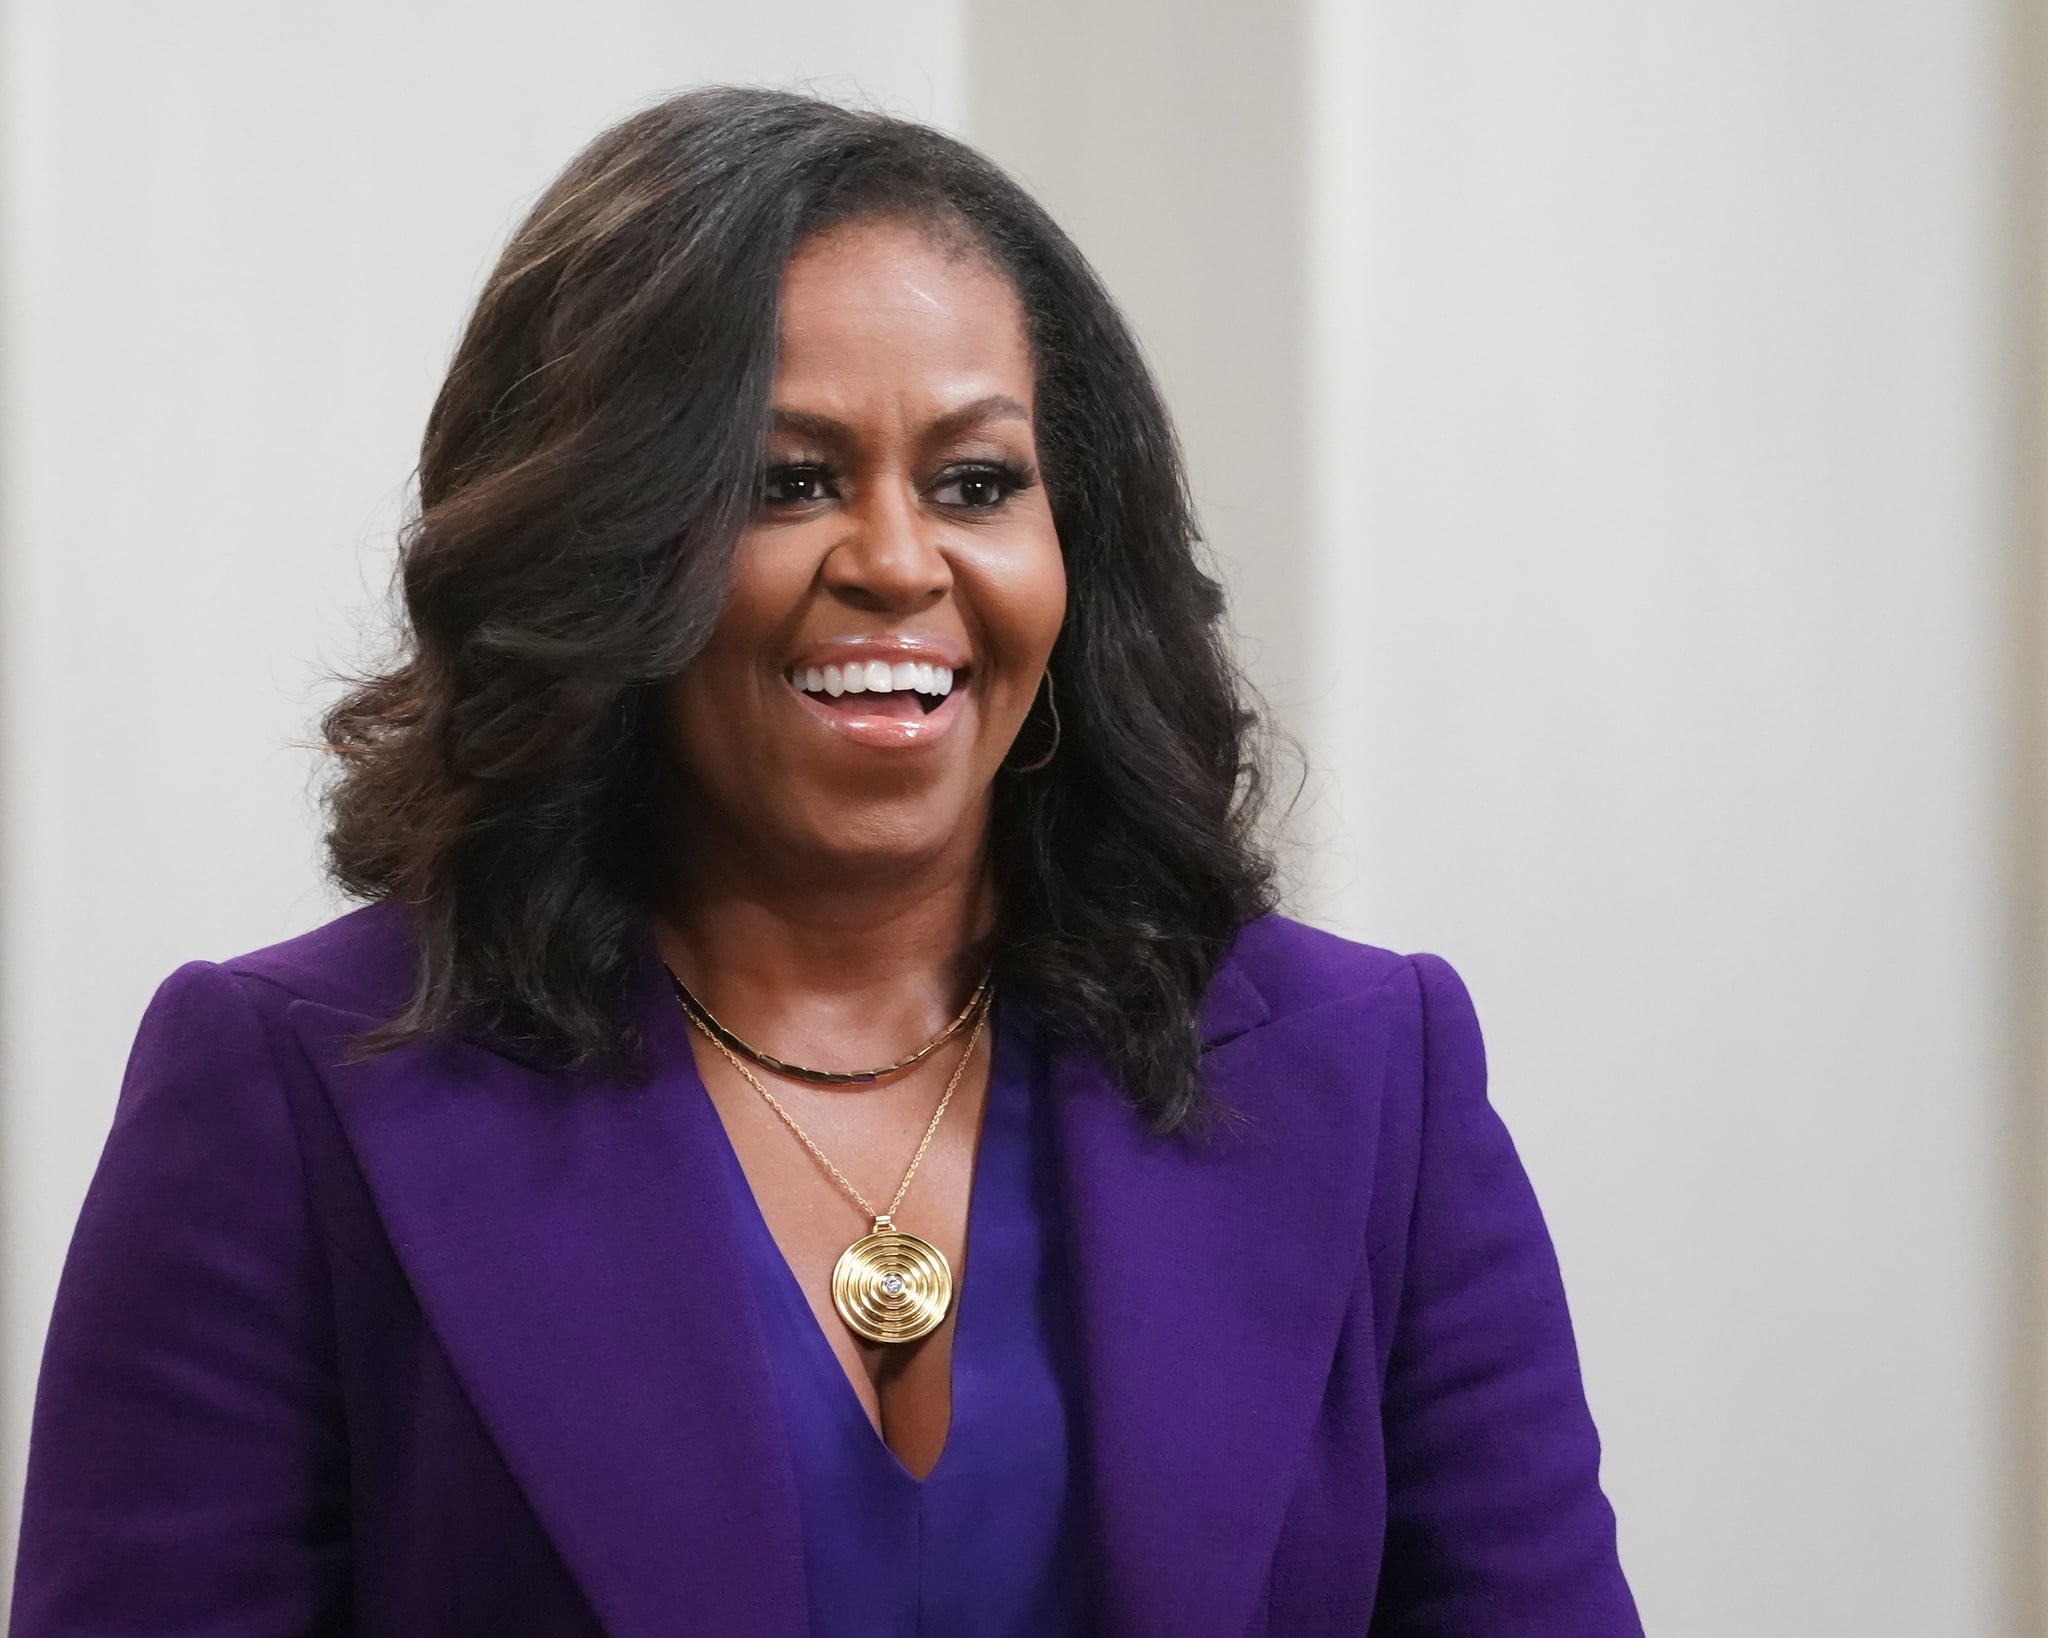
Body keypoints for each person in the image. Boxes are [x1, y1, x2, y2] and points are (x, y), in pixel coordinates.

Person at [10, 87, 1642, 1637]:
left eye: (976, 483)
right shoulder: (293, 1097)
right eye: (786, 482)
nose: (897, 560)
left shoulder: (1370, 1077)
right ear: (603, 547)